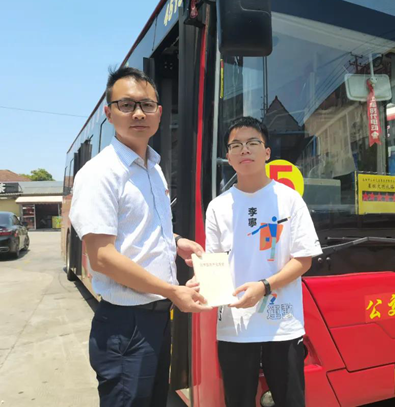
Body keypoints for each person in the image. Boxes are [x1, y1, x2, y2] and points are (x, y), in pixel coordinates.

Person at [69, 66, 211, 407]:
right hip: (126, 323)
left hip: (156, 316)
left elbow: (140, 227)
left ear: (159, 113)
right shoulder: (100, 173)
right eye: (126, 104)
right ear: (109, 113)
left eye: (147, 105)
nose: (138, 113)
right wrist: (172, 290)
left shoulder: (153, 168)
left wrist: (176, 242)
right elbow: (102, 257)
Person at [191, 116, 322, 407]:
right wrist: (201, 281)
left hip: (282, 323)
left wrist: (264, 287)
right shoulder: (218, 207)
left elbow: (303, 260)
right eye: (235, 145)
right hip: (234, 326)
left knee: (291, 401)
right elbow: (214, 263)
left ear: (267, 152)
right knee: (238, 401)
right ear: (228, 157)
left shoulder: (289, 199)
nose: (244, 150)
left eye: (252, 142)